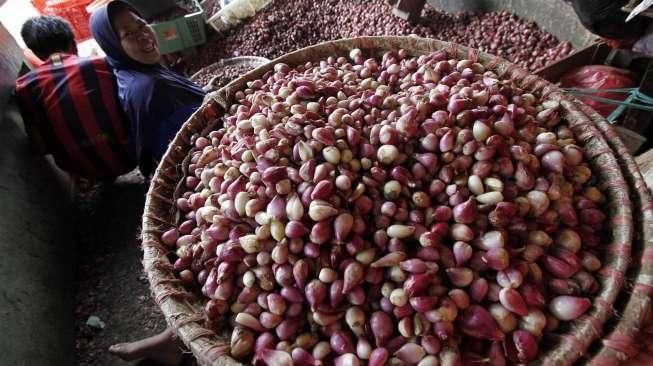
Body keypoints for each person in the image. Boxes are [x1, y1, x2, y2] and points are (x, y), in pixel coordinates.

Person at [89, 0, 206, 177]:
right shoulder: (153, 87)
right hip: (195, 164)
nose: (143, 35)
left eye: (142, 25)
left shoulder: (127, 70)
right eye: (128, 34)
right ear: (112, 45)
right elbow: (197, 135)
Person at [15, 15, 136, 182]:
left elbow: (39, 146)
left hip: (80, 169)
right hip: (131, 154)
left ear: (36, 53)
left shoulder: (24, 87)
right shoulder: (102, 63)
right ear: (73, 43)